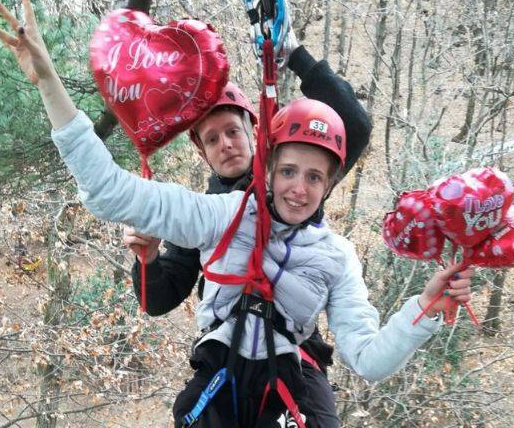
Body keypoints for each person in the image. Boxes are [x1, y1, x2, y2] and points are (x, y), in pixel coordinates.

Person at [0, 0, 475, 427]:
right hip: (221, 373)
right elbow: (108, 190)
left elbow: (368, 359)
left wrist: (427, 306)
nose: (299, 190)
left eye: (314, 177)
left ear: (329, 186)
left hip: (293, 380)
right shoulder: (217, 214)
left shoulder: (336, 255)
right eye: (288, 172)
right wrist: (49, 82)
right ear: (268, 165)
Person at [122, 27, 370, 427]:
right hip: (227, 352)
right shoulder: (205, 217)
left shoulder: (290, 179)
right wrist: (146, 259)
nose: (226, 144)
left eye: (233, 131)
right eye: (213, 139)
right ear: (202, 152)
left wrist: (293, 53)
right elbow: (160, 300)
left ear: (254, 131)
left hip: (293, 350)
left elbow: (354, 125)